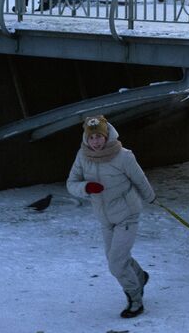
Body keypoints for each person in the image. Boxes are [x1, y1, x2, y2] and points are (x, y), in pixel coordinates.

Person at [66, 115, 155, 319]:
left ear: (107, 136)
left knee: (116, 262)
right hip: (104, 218)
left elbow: (140, 179)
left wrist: (151, 198)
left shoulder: (123, 156)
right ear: (86, 139)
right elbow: (71, 183)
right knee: (116, 258)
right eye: (92, 138)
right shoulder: (82, 155)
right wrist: (86, 187)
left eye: (99, 137)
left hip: (127, 214)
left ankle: (135, 299)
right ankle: (140, 277)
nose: (96, 142)